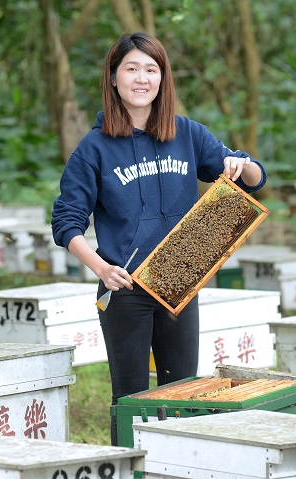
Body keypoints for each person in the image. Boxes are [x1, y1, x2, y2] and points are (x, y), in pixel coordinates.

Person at [51, 32, 267, 446]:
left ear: (163, 80)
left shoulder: (186, 134)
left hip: (180, 280)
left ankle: (177, 476)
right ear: (113, 78)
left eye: (152, 69)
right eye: (131, 68)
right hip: (125, 285)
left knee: (182, 390)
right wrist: (101, 267)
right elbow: (66, 223)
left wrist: (240, 164)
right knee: (130, 395)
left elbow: (254, 178)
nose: (142, 78)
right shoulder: (93, 149)